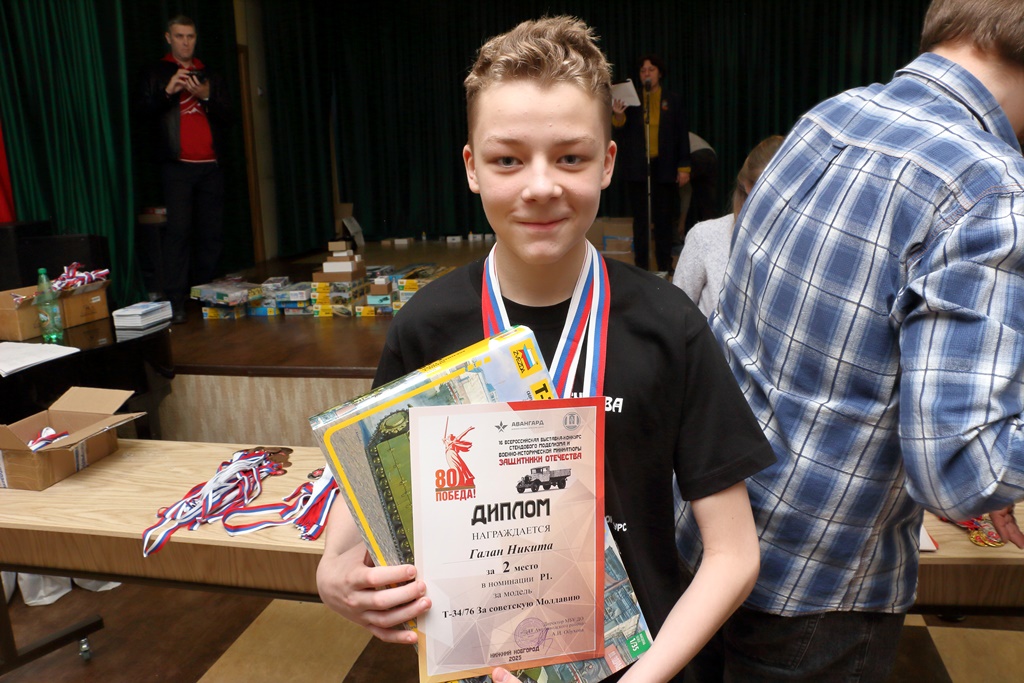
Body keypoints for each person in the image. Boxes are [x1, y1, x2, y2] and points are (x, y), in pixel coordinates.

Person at [316, 16, 775, 683]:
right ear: (472, 168)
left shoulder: (668, 324)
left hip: (644, 667)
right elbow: (365, 488)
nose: (540, 186)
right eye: (508, 159)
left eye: (570, 158)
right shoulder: (427, 326)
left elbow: (734, 554)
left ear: (608, 163)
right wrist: (332, 570)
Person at [677, 1, 1024, 679]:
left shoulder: (829, 117)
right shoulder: (991, 190)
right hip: (820, 591)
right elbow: (961, 471)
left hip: (710, 542)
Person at [135, 15, 230, 324]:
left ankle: (206, 297)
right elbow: (142, 113)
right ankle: (175, 303)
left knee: (211, 234)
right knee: (178, 233)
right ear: (168, 38)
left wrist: (207, 96)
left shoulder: (208, 72)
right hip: (177, 166)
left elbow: (229, 114)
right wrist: (168, 91)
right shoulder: (155, 71)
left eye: (190, 36)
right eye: (179, 36)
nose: (186, 42)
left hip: (210, 165)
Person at [672, 135, 782, 317]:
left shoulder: (808, 245)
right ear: (744, 188)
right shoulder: (705, 236)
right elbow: (676, 314)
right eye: (754, 198)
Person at [612, 54, 690, 273]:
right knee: (641, 219)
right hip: (639, 168)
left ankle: (665, 265)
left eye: (651, 70)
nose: (647, 74)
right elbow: (621, 130)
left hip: (664, 167)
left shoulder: (672, 100)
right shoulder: (632, 100)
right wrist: (618, 115)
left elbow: (681, 134)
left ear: (660, 73)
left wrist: (684, 167)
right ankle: (641, 267)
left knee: (664, 218)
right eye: (643, 70)